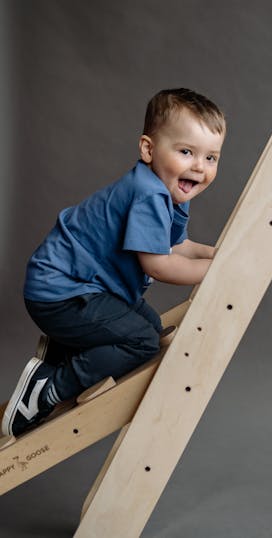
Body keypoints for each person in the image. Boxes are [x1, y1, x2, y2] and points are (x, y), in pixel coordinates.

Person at [1, 88, 226, 437]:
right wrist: (221, 271)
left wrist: (218, 253)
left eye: (211, 158)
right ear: (149, 149)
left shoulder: (170, 192)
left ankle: (65, 349)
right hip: (62, 293)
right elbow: (159, 266)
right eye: (186, 152)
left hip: (85, 289)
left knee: (150, 328)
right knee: (141, 343)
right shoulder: (149, 194)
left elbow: (178, 246)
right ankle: (47, 389)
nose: (199, 167)